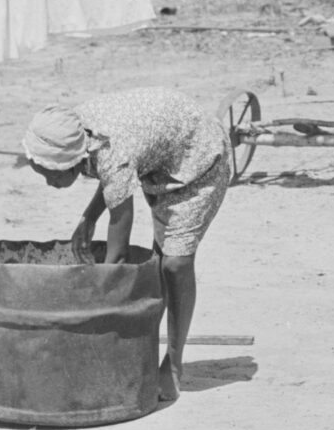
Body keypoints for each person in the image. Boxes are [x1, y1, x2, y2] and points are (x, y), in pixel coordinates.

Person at [20, 88, 235, 389]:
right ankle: (142, 351)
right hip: (161, 164)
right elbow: (114, 179)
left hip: (199, 161)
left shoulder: (108, 150)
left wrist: (97, 301)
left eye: (52, 174)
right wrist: (89, 218)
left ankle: (172, 364)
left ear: (70, 160)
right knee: (158, 262)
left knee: (174, 263)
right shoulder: (76, 131)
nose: (50, 183)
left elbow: (118, 243)